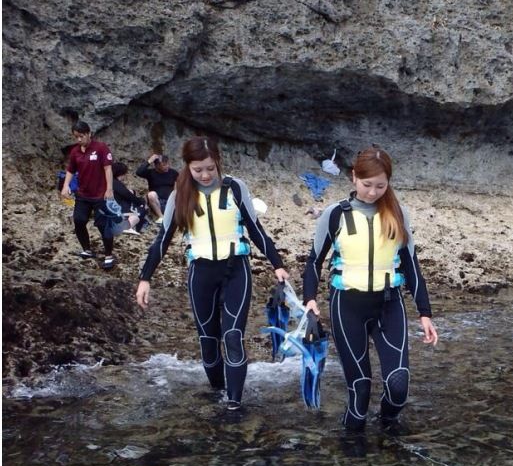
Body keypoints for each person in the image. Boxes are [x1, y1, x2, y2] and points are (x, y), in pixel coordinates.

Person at [135, 136, 289, 411]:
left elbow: (256, 230)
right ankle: (218, 391)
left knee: (232, 336)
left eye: (210, 168)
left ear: (218, 162)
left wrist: (277, 264)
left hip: (236, 271)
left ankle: (233, 404)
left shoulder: (235, 188)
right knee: (208, 341)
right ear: (188, 167)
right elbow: (162, 239)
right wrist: (145, 278)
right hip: (201, 274)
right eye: (198, 170)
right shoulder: (179, 195)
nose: (205, 175)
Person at [303, 146, 438, 432]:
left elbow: (411, 265)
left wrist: (425, 313)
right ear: (354, 178)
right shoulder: (335, 214)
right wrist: (310, 300)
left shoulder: (398, 214)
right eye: (367, 185)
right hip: (347, 307)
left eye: (380, 186)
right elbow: (314, 261)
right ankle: (353, 457)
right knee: (360, 391)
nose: (373, 192)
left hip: (389, 305)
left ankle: (389, 429)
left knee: (398, 385)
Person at [60, 121, 116, 270]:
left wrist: (109, 189)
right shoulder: (75, 152)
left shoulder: (101, 148)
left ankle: (109, 255)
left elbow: (108, 168)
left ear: (89, 133)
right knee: (79, 220)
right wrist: (66, 185)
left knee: (103, 225)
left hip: (100, 194)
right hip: (83, 194)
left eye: (81, 136)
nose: (79, 140)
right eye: (76, 137)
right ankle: (86, 249)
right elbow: (70, 170)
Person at [135, 153, 179, 224]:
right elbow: (139, 172)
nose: (167, 166)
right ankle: (161, 217)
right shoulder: (151, 173)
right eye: (164, 165)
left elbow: (177, 187)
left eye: (167, 164)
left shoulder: (173, 173)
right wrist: (149, 161)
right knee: (151, 194)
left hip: (170, 202)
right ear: (157, 165)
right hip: (156, 202)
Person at [111, 162, 147, 234]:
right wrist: (141, 202)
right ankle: (128, 227)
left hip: (112, 209)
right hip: (118, 211)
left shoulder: (111, 182)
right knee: (139, 214)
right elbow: (127, 194)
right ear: (121, 173)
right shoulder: (115, 183)